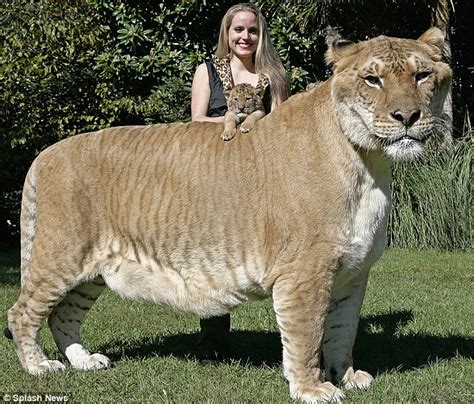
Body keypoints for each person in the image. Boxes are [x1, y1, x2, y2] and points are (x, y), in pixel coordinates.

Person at [190, 3, 288, 361]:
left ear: (261, 35)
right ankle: (212, 339)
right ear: (227, 34)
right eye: (238, 30)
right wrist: (233, 119)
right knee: (213, 251)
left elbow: (282, 126)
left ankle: (291, 336)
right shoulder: (208, 70)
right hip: (212, 173)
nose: (245, 36)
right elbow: (197, 121)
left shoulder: (274, 74)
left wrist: (255, 122)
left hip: (259, 173)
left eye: (253, 30)